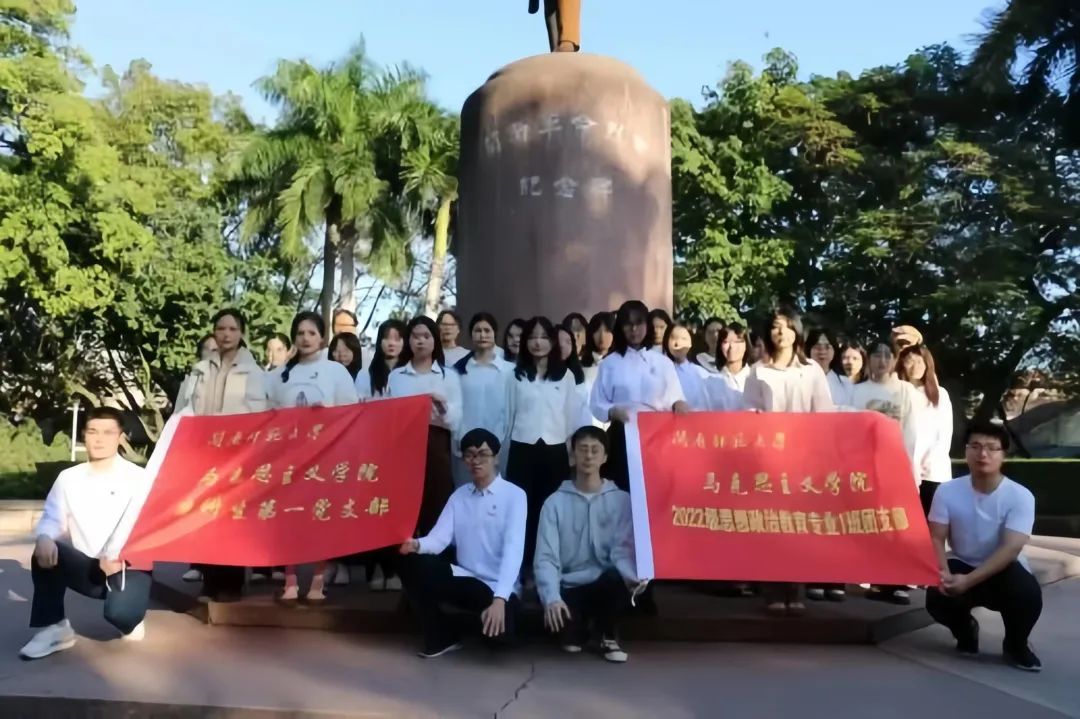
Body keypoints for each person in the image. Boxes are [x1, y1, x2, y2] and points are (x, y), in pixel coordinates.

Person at [19, 407, 152, 660]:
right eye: (93, 431)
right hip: (87, 565)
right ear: (84, 435)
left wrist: (118, 554)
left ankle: (129, 616)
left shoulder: (139, 478)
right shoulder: (69, 478)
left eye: (108, 433)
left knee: (122, 617)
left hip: (127, 566)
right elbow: (53, 518)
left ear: (120, 437)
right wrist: (45, 537)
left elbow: (146, 525)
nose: (99, 439)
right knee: (44, 549)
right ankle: (55, 628)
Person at [398, 429, 527, 658]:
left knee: (500, 639)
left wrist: (500, 598)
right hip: (466, 578)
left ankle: (486, 618)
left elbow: (513, 550)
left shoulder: (514, 495)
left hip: (498, 586)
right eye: (469, 455)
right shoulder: (459, 496)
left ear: (496, 458)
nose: (476, 461)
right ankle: (440, 636)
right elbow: (439, 540)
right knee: (410, 562)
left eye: (483, 454)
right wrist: (416, 545)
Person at [926, 422, 1042, 672]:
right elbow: (936, 537)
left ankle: (1016, 645)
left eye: (991, 448)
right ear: (966, 451)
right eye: (975, 446)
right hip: (962, 561)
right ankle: (965, 631)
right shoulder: (947, 491)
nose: (983, 454)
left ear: (1003, 454)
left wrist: (968, 582)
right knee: (936, 596)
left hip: (1003, 567)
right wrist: (943, 574)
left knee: (1027, 595)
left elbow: (1011, 549)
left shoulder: (1020, 496)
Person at [743, 307, 834, 615]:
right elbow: (747, 411)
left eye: (786, 326)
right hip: (768, 458)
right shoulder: (758, 370)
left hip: (803, 458)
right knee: (772, 525)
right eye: (775, 327)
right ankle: (771, 590)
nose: (780, 332)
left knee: (799, 526)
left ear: (797, 331)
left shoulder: (811, 370)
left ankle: (796, 589)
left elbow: (824, 413)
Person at [174, 309, 268, 594]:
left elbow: (259, 414)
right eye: (221, 328)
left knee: (232, 520)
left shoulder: (254, 372)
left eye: (232, 329)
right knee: (206, 517)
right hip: (204, 454)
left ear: (242, 333)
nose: (226, 334)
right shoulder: (200, 370)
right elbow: (184, 408)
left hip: (236, 456)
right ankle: (209, 580)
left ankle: (231, 583)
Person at [269, 311, 359, 602]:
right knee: (288, 516)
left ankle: (318, 580)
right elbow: (268, 414)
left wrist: (327, 415)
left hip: (325, 455)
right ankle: (290, 580)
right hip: (290, 456)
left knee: (321, 515)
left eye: (311, 333)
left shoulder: (335, 371)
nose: (305, 339)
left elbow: (351, 411)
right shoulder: (281, 374)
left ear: (322, 338)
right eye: (300, 333)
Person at [534, 426, 640, 663]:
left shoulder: (622, 500)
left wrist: (633, 578)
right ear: (573, 456)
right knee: (568, 639)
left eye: (595, 450)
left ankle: (608, 635)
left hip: (605, 583)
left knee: (616, 579)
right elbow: (546, 558)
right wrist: (551, 597)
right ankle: (580, 628)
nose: (588, 456)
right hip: (570, 586)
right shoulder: (554, 503)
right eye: (582, 449)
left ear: (605, 456)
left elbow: (623, 550)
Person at [506, 317, 587, 572]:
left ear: (552, 341)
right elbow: (508, 414)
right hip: (522, 448)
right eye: (532, 337)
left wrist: (572, 452)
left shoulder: (565, 376)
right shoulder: (515, 375)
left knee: (551, 509)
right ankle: (522, 567)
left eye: (543, 337)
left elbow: (571, 416)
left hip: (555, 449)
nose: (537, 343)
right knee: (522, 511)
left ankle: (549, 566)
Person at [851, 340, 927, 606]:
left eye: (887, 355)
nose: (881, 360)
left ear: (894, 360)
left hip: (897, 466)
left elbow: (913, 432)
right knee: (873, 524)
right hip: (865, 468)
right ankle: (876, 580)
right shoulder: (856, 391)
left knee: (898, 525)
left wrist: (909, 466)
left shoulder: (906, 391)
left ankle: (898, 583)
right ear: (868, 359)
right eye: (876, 355)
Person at [590, 301, 688, 491]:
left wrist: (679, 403)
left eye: (639, 323)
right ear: (620, 327)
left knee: (654, 489)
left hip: (657, 435)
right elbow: (596, 402)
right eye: (628, 324)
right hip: (622, 434)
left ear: (647, 325)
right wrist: (611, 411)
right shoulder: (609, 364)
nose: (634, 329)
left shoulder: (663, 363)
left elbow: (676, 396)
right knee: (622, 489)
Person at [389, 315, 463, 536]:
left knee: (437, 506)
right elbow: (389, 416)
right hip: (404, 449)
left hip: (436, 447)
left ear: (435, 340)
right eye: (415, 336)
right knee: (404, 509)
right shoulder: (396, 376)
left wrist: (442, 407)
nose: (420, 341)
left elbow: (457, 420)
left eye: (426, 336)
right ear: (408, 341)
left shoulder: (448, 377)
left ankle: (436, 554)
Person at [451, 313, 515, 487]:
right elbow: (455, 408)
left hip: (501, 445)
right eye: (477, 330)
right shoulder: (458, 371)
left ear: (495, 333)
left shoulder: (510, 371)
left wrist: (502, 439)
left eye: (487, 330)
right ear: (471, 335)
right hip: (466, 444)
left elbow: (512, 409)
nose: (482, 335)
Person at [897, 344, 954, 514]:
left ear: (927, 364)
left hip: (933, 470)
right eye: (909, 361)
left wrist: (924, 464)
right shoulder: (897, 393)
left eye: (919, 361)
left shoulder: (940, 394)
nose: (915, 366)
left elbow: (944, 434)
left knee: (932, 519)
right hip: (903, 469)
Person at [357, 319, 407, 400]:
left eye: (397, 339)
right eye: (386, 338)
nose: (391, 343)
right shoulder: (365, 375)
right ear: (379, 341)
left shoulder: (412, 374)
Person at [580, 311, 615, 391]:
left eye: (607, 331)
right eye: (597, 331)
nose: (602, 336)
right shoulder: (582, 365)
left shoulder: (620, 364)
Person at [829, 339, 866, 407]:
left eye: (855, 358)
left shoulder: (870, 382)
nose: (850, 362)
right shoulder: (830, 381)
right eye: (845, 358)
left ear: (863, 361)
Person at [717, 322, 751, 391]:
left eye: (737, 341)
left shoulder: (757, 378)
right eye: (726, 342)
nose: (731, 346)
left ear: (746, 345)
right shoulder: (713, 379)